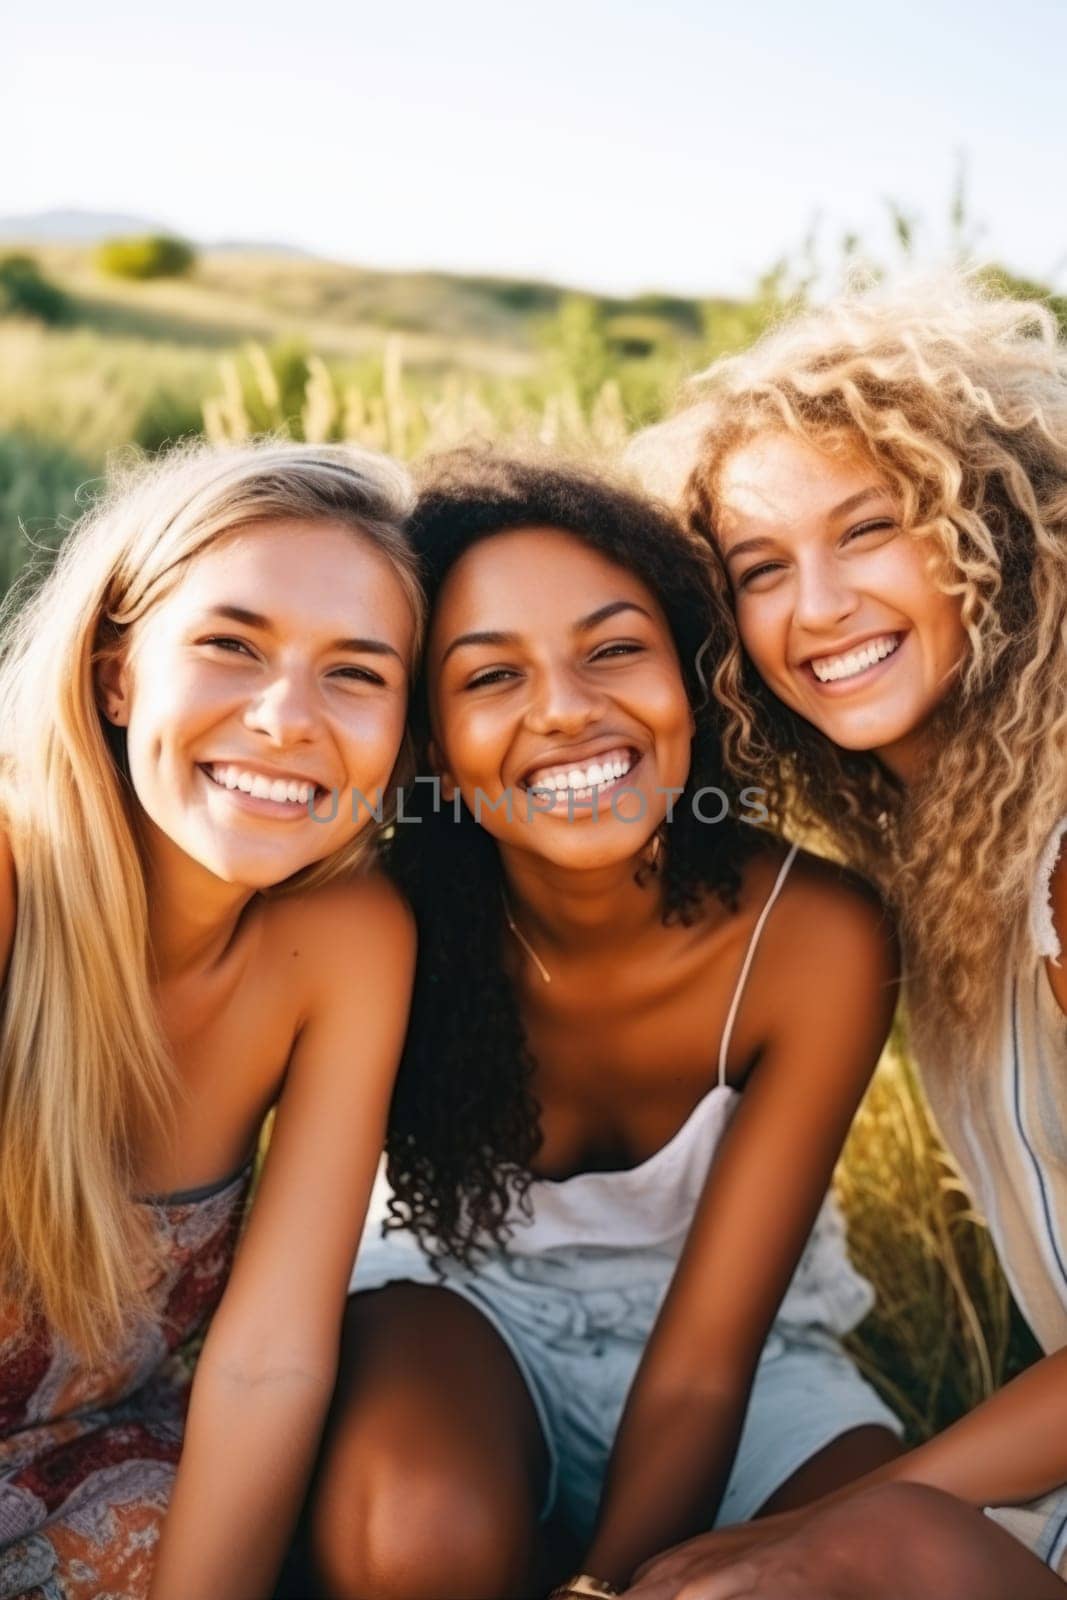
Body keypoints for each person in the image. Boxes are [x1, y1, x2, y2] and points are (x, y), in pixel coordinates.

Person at [305, 451, 903, 1600]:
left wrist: (610, 1585)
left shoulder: (816, 939)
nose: (567, 709)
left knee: (866, 1570)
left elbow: (705, 1362)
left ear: (694, 674)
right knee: (416, 1538)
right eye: (489, 677)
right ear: (426, 740)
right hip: (460, 1311)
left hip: (748, 1350)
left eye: (614, 648)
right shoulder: (384, 921)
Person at [624, 278, 1067, 1598]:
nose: (812, 610)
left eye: (864, 529)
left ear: (985, 528)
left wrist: (820, 1526)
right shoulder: (942, 857)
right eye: (758, 568)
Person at [0, 441, 422, 1600]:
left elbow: (267, 1363)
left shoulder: (344, 942)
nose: (287, 718)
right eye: (231, 645)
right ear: (115, 671)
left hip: (92, 1479)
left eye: (356, 672)